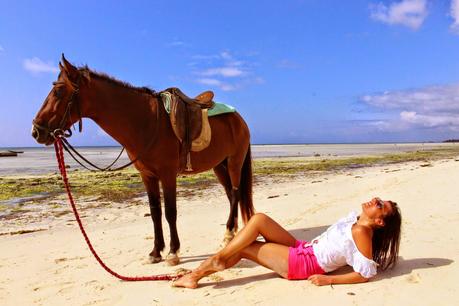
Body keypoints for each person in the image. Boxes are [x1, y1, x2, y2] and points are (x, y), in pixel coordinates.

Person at [172, 197, 401, 288]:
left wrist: (329, 278)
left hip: (304, 264)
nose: (375, 200)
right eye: (379, 200)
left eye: (379, 205)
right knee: (259, 219)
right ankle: (218, 259)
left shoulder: (362, 231)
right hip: (303, 248)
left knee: (246, 248)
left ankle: (200, 272)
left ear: (379, 221)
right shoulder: (355, 219)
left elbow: (366, 273)